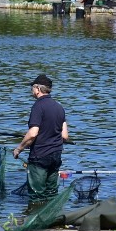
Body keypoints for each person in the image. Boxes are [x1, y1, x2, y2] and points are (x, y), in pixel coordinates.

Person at [13, 74, 68, 206]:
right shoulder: (59, 107)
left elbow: (32, 134)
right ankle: (53, 220)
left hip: (40, 157)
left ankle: (36, 222)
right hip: (56, 156)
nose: (32, 90)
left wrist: (18, 149)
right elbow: (64, 136)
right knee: (51, 193)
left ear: (37, 89)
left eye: (32, 88)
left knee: (37, 195)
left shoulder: (38, 106)